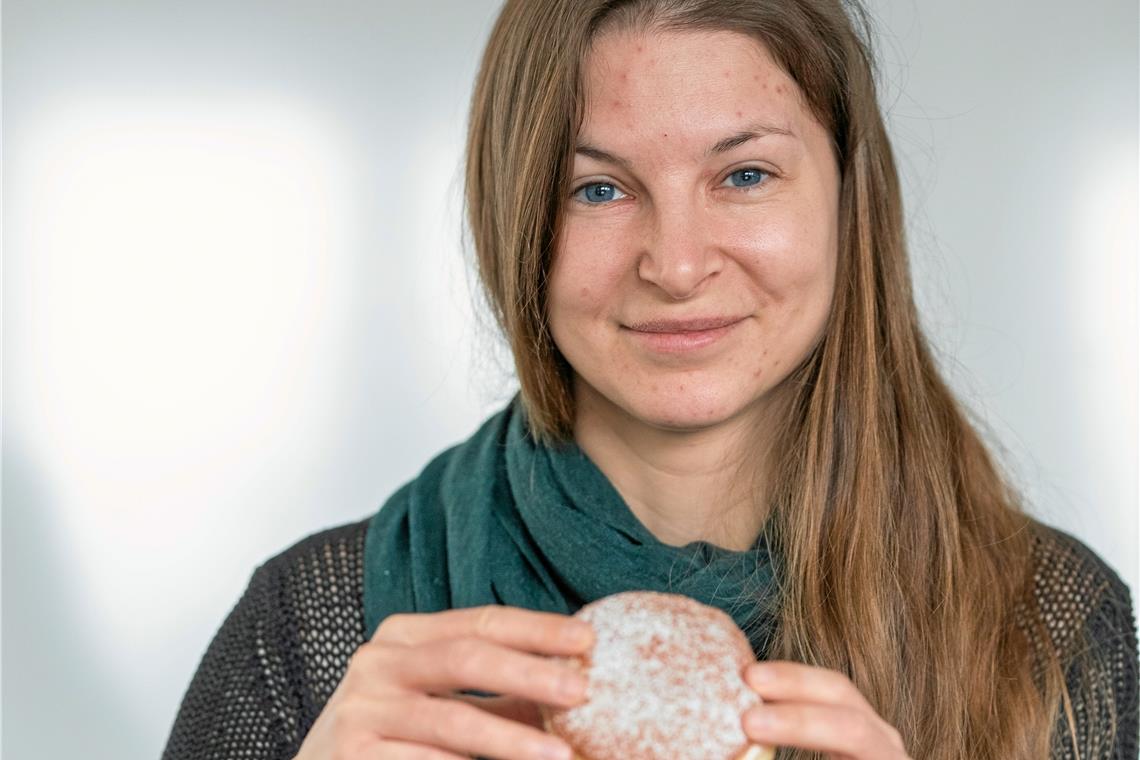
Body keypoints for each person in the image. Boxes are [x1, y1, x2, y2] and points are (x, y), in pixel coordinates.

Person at [162, 1, 1138, 759]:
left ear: (850, 199)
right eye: (599, 188)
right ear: (520, 228)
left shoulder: (1048, 625)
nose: (675, 263)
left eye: (745, 175)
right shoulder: (318, 628)